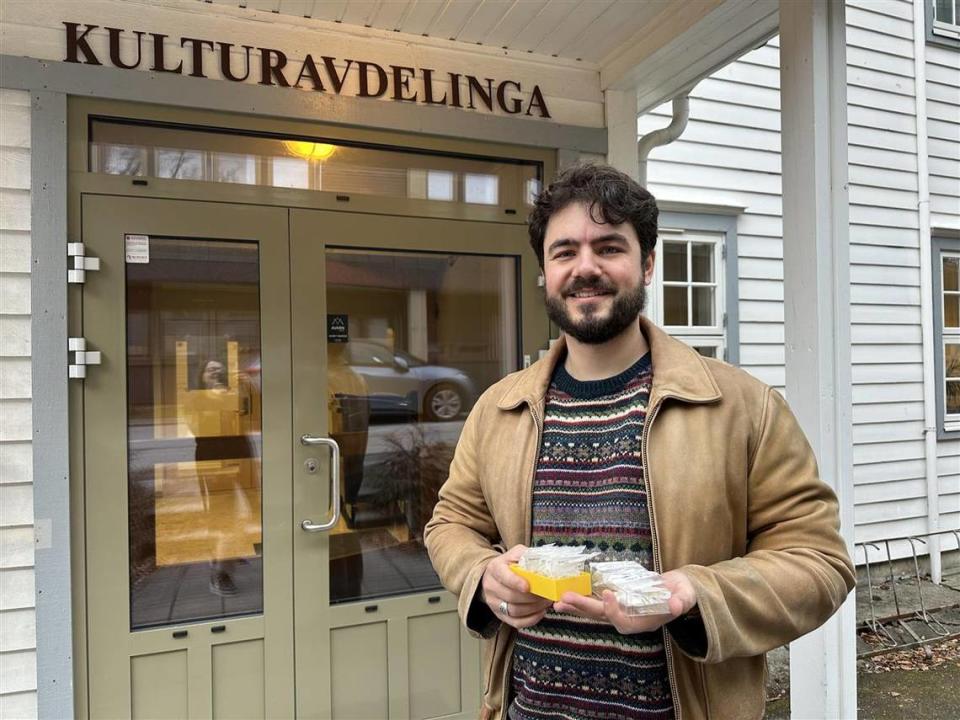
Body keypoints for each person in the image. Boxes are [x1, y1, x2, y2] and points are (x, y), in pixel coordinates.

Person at [424, 164, 855, 720]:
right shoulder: (499, 408)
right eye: (564, 252)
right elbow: (450, 524)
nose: (586, 268)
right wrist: (484, 578)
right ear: (544, 271)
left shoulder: (743, 407)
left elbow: (819, 562)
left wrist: (694, 595)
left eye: (609, 247)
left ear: (647, 263)